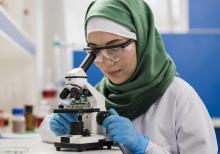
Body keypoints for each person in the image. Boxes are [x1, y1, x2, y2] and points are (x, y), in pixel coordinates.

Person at [39, 0, 218, 153]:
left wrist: (144, 146)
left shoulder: (180, 97)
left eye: (115, 47)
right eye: (94, 51)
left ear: (142, 42)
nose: (105, 61)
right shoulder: (98, 96)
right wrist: (59, 128)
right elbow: (44, 129)